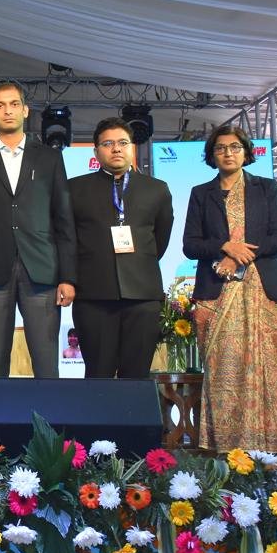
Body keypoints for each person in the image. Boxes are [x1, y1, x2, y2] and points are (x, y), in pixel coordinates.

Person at [0, 81, 75, 379]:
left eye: (13, 104)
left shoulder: (49, 157)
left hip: (42, 270)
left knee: (46, 364)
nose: (7, 111)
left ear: (25, 110)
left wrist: (68, 277)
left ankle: (48, 413)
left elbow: (63, 220)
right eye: (0, 105)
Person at [183, 125, 277, 452]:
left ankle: (269, 447)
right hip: (218, 290)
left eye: (234, 147)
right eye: (220, 148)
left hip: (263, 289)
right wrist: (225, 246)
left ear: (246, 152)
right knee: (223, 367)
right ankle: (224, 446)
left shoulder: (267, 188)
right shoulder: (201, 193)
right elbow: (191, 244)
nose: (228, 153)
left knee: (269, 368)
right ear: (211, 155)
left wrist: (242, 253)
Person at [67, 118, 173, 379]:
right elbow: (67, 240)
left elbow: (160, 240)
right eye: (108, 144)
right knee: (98, 375)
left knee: (136, 376)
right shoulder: (74, 189)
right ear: (96, 152)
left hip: (143, 296)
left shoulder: (157, 189)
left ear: (132, 147)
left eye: (123, 143)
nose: (116, 148)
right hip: (93, 296)